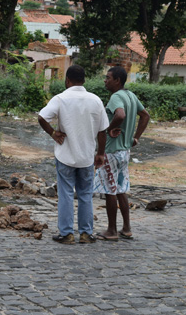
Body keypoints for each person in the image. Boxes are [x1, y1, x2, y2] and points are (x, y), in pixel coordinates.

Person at [38, 65, 109, 244]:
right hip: (86, 156)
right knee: (86, 194)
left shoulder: (61, 98)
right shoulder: (95, 100)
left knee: (66, 194)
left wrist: (53, 133)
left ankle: (67, 234)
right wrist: (100, 153)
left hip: (65, 155)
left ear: (67, 80)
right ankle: (86, 233)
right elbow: (102, 131)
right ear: (84, 80)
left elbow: (41, 117)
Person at [94, 66, 150, 241]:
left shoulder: (116, 96)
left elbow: (120, 115)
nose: (105, 80)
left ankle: (111, 230)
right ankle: (126, 228)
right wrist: (135, 138)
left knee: (110, 190)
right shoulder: (131, 96)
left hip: (111, 151)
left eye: (108, 77)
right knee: (121, 189)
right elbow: (145, 116)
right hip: (124, 152)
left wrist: (107, 129)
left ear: (117, 80)